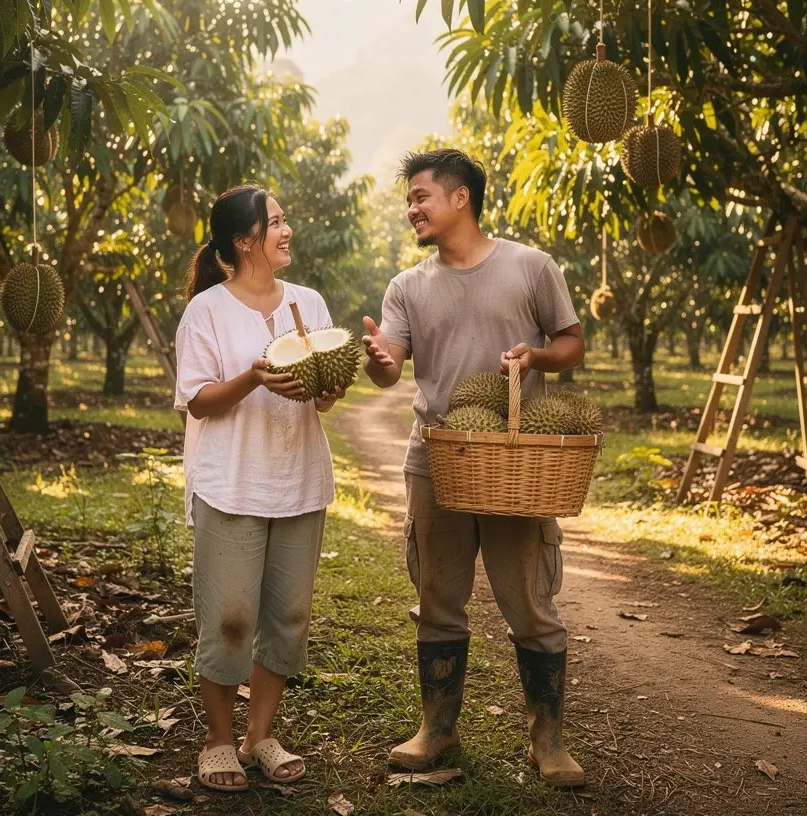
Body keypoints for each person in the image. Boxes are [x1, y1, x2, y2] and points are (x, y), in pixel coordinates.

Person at [361, 149, 587, 787]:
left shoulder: (529, 266)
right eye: (409, 200)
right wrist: (378, 357)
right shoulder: (408, 285)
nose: (413, 209)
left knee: (529, 603)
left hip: (514, 460)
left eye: (422, 197)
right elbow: (389, 368)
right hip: (436, 458)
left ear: (461, 198)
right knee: (438, 597)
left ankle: (548, 738)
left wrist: (538, 357)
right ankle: (437, 728)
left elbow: (571, 340)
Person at [174, 184, 346, 793]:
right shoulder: (208, 311)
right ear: (245, 239)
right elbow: (196, 398)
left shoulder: (309, 303)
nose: (287, 230)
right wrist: (252, 377)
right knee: (227, 620)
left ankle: (259, 736)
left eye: (284, 219)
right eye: (275, 222)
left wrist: (326, 390)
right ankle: (218, 740)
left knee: (288, 617)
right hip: (231, 485)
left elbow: (325, 389)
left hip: (299, 481)